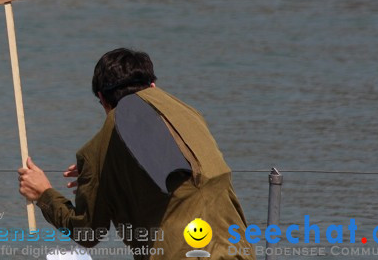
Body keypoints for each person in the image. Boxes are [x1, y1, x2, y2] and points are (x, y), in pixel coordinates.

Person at [17, 48, 253, 260]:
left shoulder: (102, 142)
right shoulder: (188, 113)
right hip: (238, 250)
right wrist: (107, 167)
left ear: (102, 98)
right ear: (153, 85)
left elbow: (88, 232)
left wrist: (43, 194)